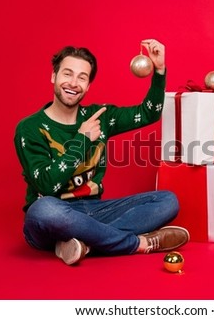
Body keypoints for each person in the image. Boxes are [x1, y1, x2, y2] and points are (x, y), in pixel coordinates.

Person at [14, 39, 189, 266]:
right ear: (53, 77)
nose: (73, 83)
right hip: (52, 215)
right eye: (67, 74)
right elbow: (47, 186)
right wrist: (82, 141)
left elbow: (149, 114)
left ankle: (84, 244)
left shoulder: (100, 116)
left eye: (82, 77)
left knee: (167, 200)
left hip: (94, 210)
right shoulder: (29, 128)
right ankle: (136, 244)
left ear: (88, 86)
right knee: (44, 209)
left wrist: (159, 70)